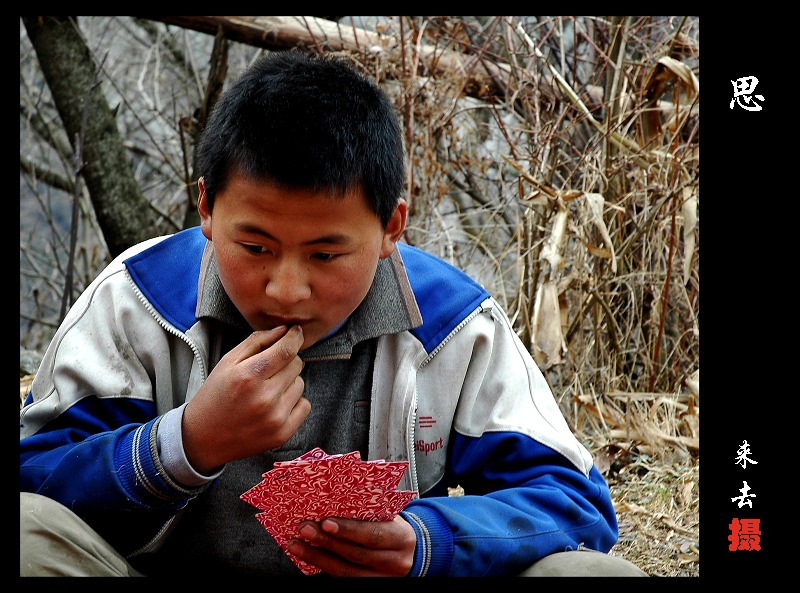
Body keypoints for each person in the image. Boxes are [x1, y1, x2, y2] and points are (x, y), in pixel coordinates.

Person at [19, 50, 647, 577]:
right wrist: (187, 443)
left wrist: (426, 543)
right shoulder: (142, 301)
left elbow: (574, 505)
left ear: (391, 226)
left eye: (326, 253)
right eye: (255, 246)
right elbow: (35, 478)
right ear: (206, 207)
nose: (287, 290)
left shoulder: (451, 325)